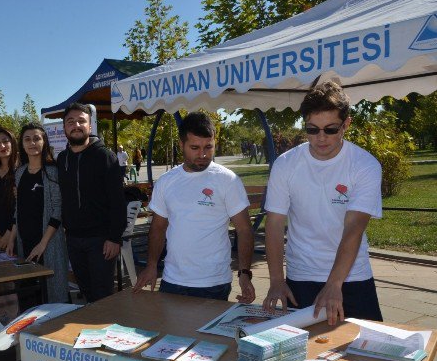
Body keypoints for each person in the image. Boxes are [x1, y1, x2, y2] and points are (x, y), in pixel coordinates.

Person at [262, 81, 383, 326]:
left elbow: (354, 229)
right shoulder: (286, 165)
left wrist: (334, 283)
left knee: (367, 352)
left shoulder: (364, 165)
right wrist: (276, 279)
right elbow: (274, 224)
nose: (321, 138)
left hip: (351, 276)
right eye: (312, 129)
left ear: (346, 124)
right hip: (302, 275)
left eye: (330, 129)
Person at [133, 112, 256, 302]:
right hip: (172, 280)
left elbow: (244, 229)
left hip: (214, 283)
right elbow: (158, 228)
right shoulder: (166, 182)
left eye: (209, 147)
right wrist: (151, 265)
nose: (203, 154)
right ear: (181, 145)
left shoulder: (227, 180)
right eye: (195, 148)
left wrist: (245, 273)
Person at [56, 102, 126, 302]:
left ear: (89, 126)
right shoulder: (62, 159)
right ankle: (90, 332)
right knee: (86, 293)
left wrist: (115, 238)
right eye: (71, 121)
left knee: (103, 296)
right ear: (64, 128)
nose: (76, 125)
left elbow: (117, 201)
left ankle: (106, 332)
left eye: (81, 121)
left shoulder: (105, 157)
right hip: (73, 240)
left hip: (101, 240)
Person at [7, 122, 69, 305]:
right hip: (24, 242)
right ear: (22, 144)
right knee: (28, 295)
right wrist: (11, 239)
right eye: (27, 139)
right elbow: (18, 208)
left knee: (52, 293)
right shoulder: (19, 173)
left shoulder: (52, 172)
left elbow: (58, 209)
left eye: (37, 138)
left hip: (48, 243)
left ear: (44, 142)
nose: (32, 143)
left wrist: (43, 244)